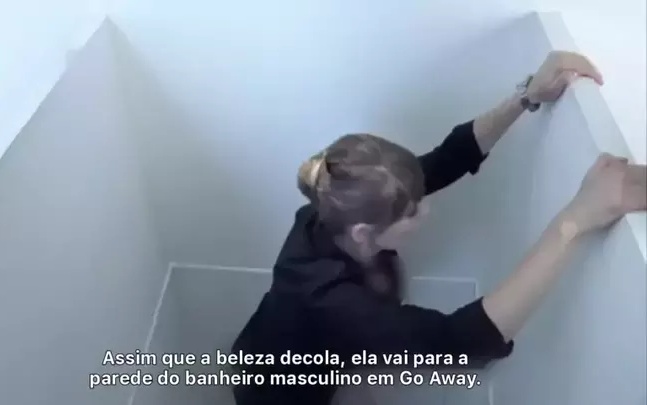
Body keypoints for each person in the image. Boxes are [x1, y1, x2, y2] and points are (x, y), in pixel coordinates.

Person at [230, 50, 647, 405]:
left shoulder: (333, 209)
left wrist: (526, 96)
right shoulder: (333, 300)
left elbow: (446, 159)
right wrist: (578, 218)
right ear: (362, 233)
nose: (424, 211)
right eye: (411, 212)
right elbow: (461, 341)